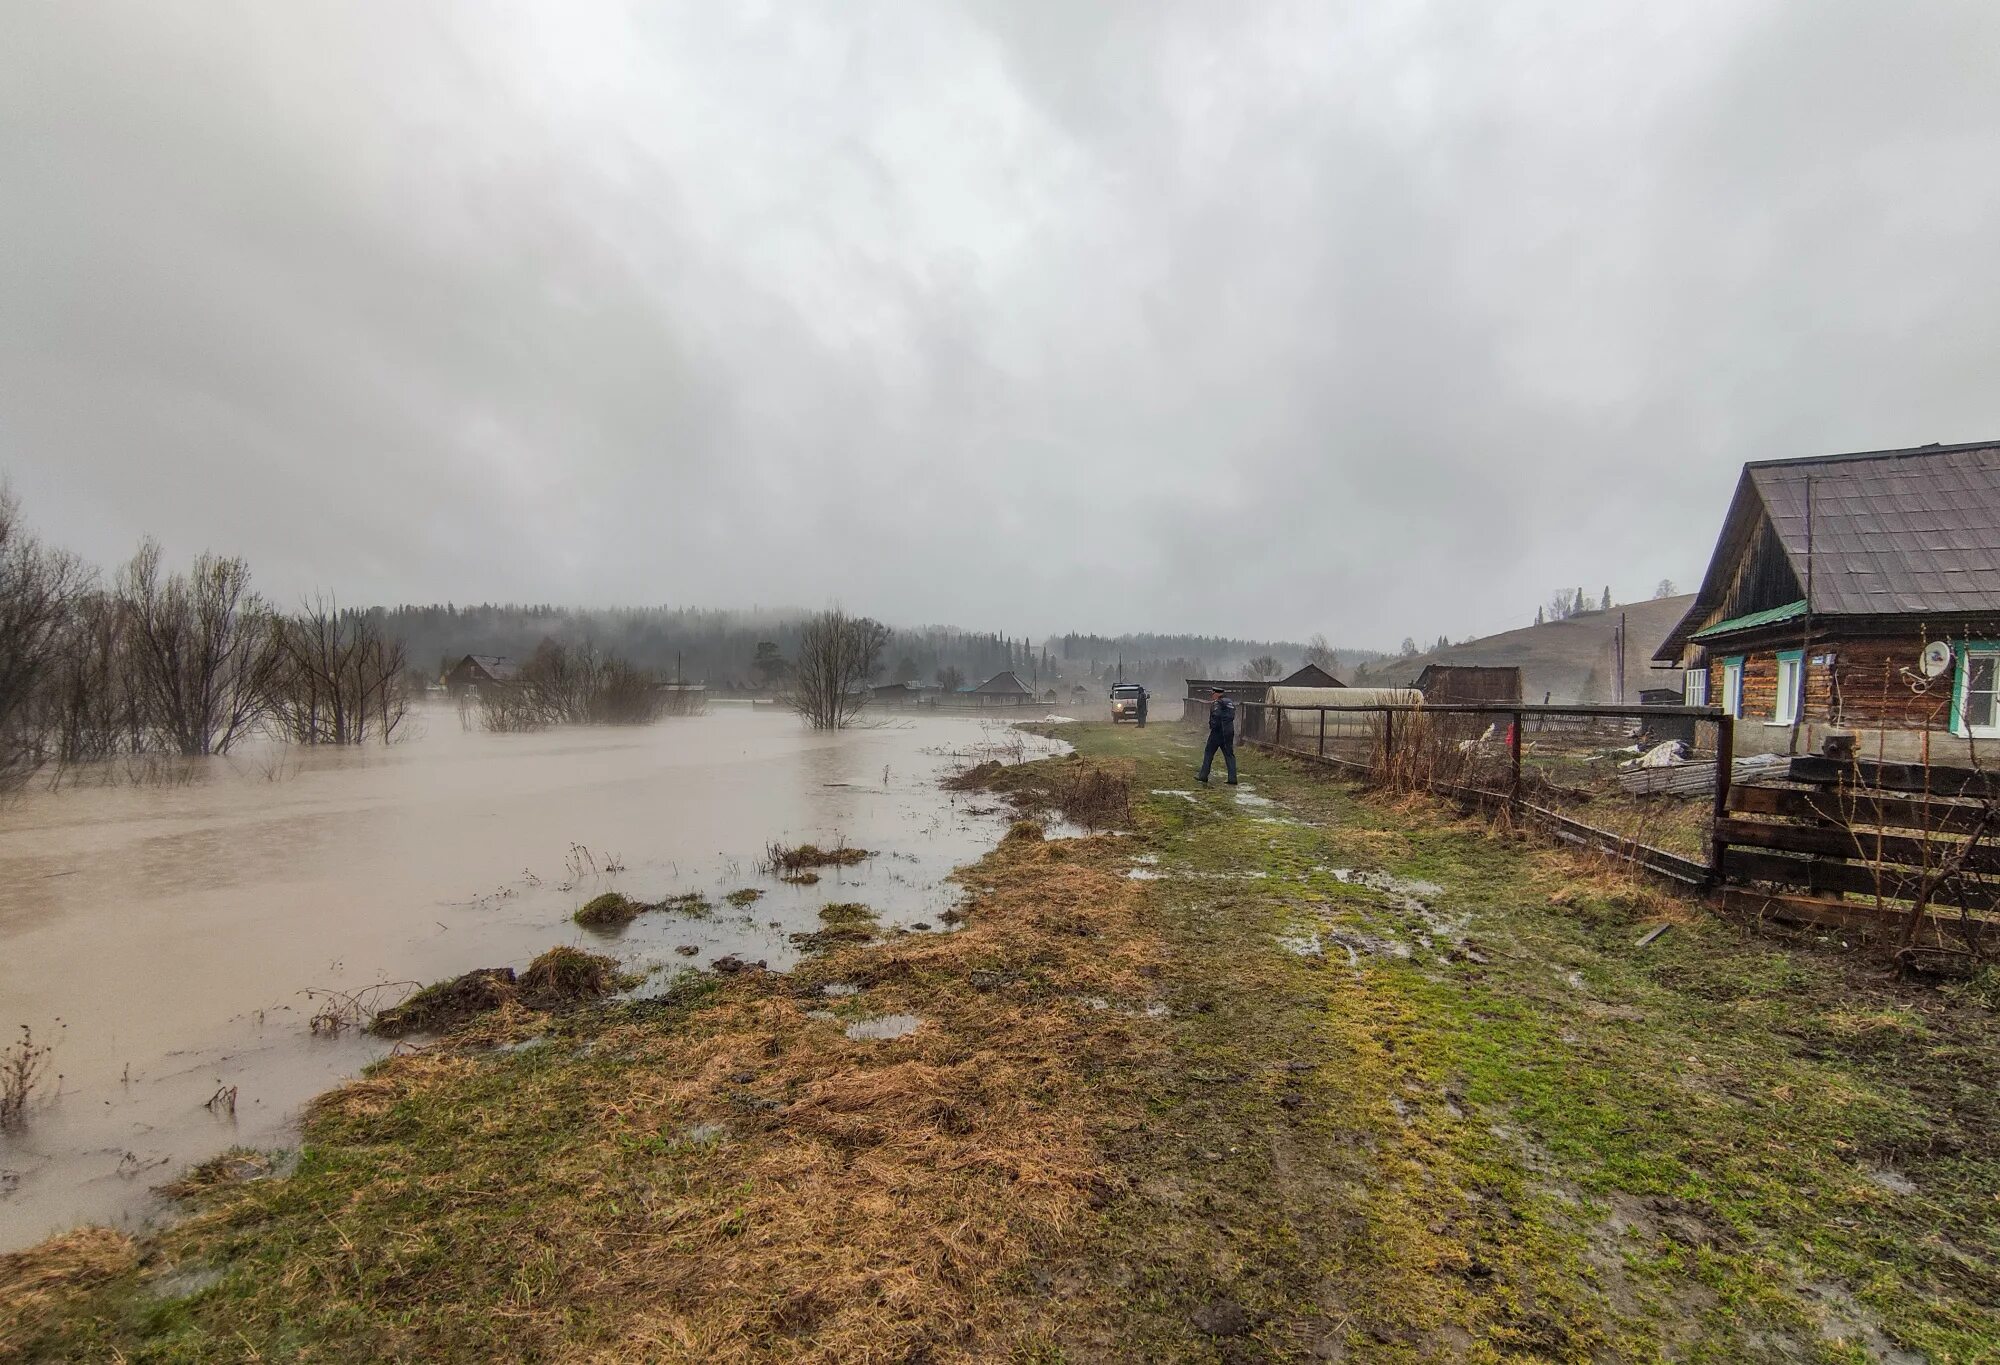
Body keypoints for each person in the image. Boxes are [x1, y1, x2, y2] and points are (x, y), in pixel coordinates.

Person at [1198, 686, 1237, 785]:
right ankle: (1232, 778)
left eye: (1212, 694)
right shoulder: (1230, 702)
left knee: (1208, 753)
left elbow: (1216, 715)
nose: (1212, 696)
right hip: (1229, 732)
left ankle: (1203, 776)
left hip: (1218, 732)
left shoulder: (1217, 703)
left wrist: (1212, 726)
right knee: (1229, 755)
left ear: (1217, 693)